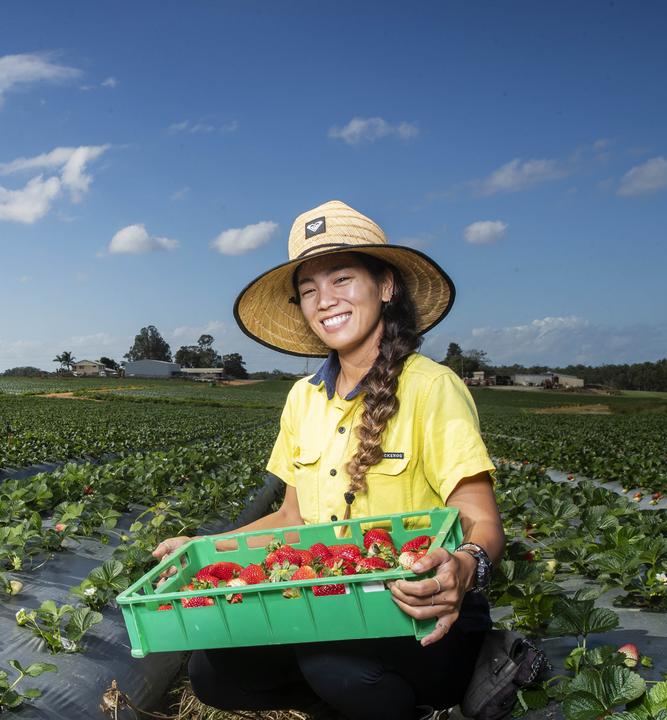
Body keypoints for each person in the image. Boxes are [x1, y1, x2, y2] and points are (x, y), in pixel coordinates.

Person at [152, 200, 503, 720]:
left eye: (341, 279)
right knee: (213, 671)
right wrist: (205, 548)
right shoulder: (303, 398)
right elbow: (293, 518)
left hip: (419, 615)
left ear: (385, 286)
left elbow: (482, 517)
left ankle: (411, 707)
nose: (325, 301)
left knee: (331, 663)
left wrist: (465, 565)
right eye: (310, 290)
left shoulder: (432, 388)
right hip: (333, 608)